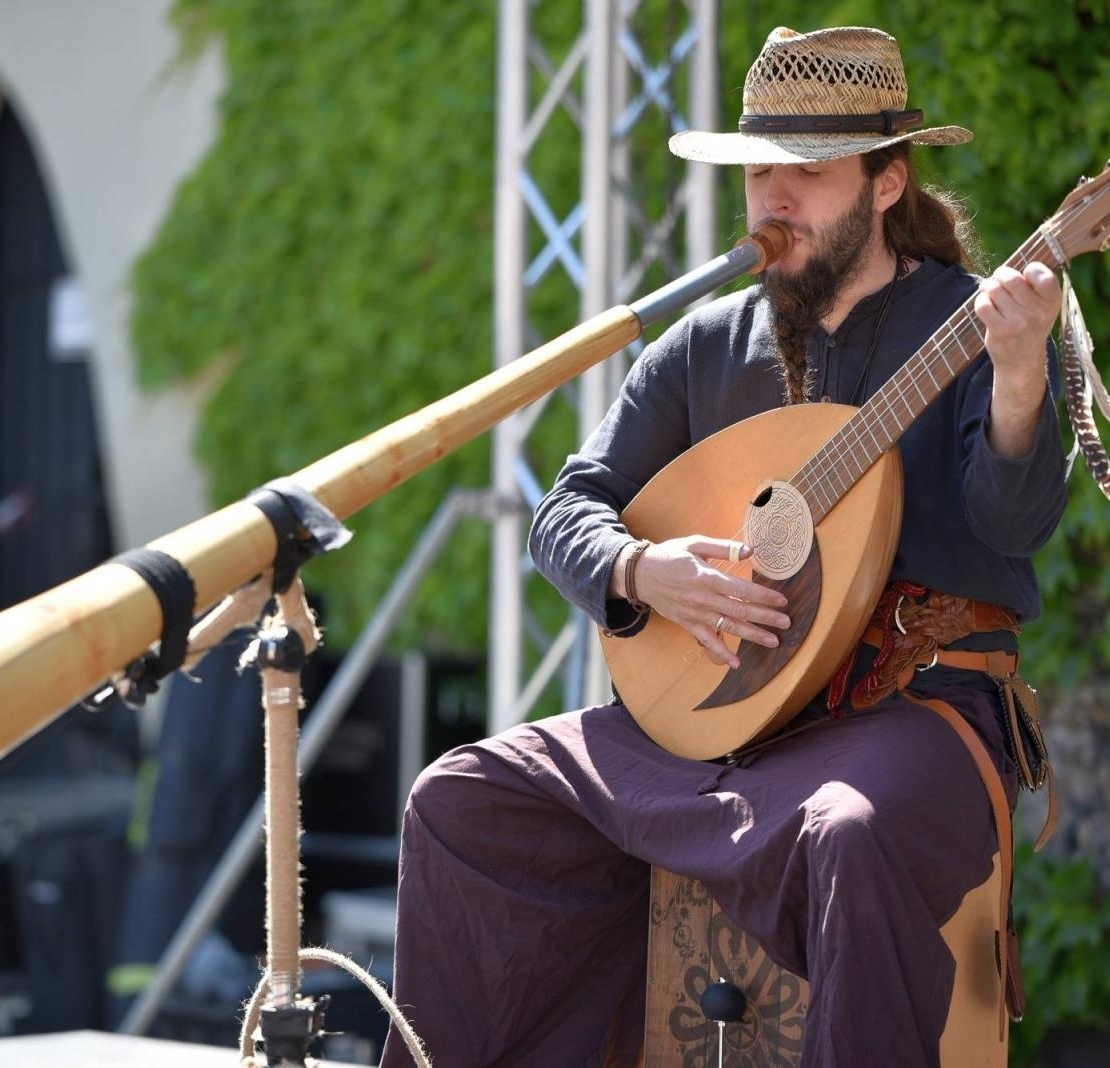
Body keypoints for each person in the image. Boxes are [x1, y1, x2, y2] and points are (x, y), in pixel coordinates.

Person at [381, 25, 1065, 1068]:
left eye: (807, 174)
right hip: (715, 725)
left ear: (888, 182)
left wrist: (1020, 376)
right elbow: (566, 510)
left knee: (848, 829)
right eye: (758, 174)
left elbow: (1014, 527)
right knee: (463, 803)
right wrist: (642, 568)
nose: (772, 200)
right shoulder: (701, 345)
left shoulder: (968, 327)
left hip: (907, 711)